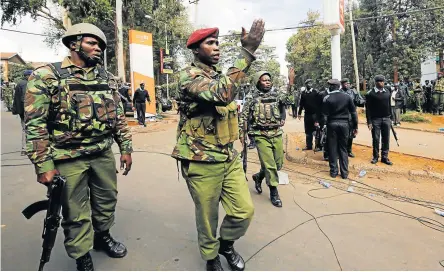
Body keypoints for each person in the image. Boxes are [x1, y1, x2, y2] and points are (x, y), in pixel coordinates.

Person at [24, 23, 133, 270]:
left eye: (100, 45)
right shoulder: (46, 76)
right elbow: (35, 125)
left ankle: (102, 236)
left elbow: (117, 116)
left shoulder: (106, 77)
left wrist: (125, 147)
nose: (98, 49)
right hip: (66, 156)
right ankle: (81, 253)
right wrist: (43, 164)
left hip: (102, 152)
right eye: (91, 43)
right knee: (75, 211)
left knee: (107, 201)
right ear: (74, 44)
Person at [171, 20, 264, 271]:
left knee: (243, 211)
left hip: (227, 155)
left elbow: (230, 102)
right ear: (196, 50)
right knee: (208, 216)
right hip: (200, 159)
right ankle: (211, 257)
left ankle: (226, 244)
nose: (217, 47)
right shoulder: (187, 76)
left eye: (217, 43)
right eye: (210, 43)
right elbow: (221, 94)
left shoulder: (221, 76)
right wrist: (247, 53)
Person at [240, 71, 286, 207]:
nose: (267, 82)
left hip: (276, 133)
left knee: (277, 164)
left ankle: (258, 176)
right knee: (269, 164)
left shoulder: (277, 94)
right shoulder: (251, 97)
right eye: (264, 80)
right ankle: (274, 191)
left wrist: (291, 82)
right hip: (260, 134)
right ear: (258, 82)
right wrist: (241, 133)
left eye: (269, 80)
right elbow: (243, 116)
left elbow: (288, 101)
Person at [322, 79, 358, 179]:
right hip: (345, 124)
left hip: (332, 124)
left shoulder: (327, 98)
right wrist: (355, 127)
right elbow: (354, 113)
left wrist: (323, 126)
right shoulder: (347, 97)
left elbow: (324, 115)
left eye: (330, 86)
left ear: (333, 87)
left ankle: (333, 172)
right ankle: (344, 173)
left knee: (332, 148)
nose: (329, 87)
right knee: (343, 148)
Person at [365, 75, 393, 165]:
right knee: (376, 139)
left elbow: (389, 105)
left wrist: (390, 118)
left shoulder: (387, 92)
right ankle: (375, 157)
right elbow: (368, 109)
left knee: (386, 139)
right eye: (380, 81)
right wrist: (369, 122)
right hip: (375, 120)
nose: (382, 83)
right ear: (376, 83)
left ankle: (384, 157)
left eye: (383, 81)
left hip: (386, 119)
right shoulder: (370, 93)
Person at [339, 78, 362, 158]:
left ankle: (349, 150)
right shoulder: (339, 93)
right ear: (342, 84)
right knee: (342, 134)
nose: (347, 85)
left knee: (351, 134)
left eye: (348, 83)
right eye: (345, 83)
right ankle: (342, 150)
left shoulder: (353, 92)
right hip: (342, 116)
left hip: (351, 116)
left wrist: (360, 98)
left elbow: (359, 102)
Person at [12, 70, 33, 155]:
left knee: (25, 129)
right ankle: (28, 148)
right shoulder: (28, 84)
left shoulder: (20, 84)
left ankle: (24, 149)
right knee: (33, 128)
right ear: (28, 76)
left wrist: (16, 110)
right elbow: (25, 99)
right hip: (30, 110)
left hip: (22, 111)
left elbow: (16, 99)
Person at [298, 79, 321, 150]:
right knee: (308, 131)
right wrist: (299, 113)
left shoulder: (315, 92)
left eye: (311, 83)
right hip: (307, 115)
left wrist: (318, 117)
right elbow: (301, 104)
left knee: (316, 130)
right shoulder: (303, 93)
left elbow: (319, 104)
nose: (309, 84)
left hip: (315, 114)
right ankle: (309, 146)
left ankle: (318, 146)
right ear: (306, 84)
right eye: (308, 83)